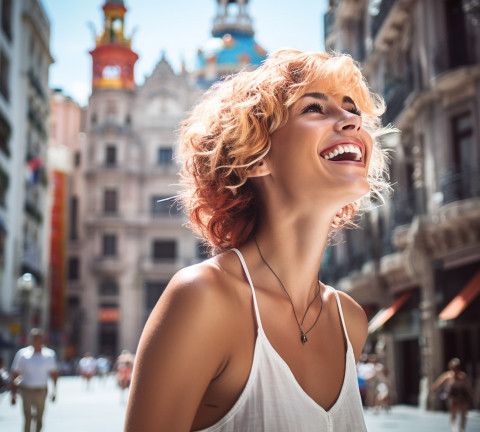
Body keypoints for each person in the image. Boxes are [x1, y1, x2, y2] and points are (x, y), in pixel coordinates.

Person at [125, 48, 390, 431]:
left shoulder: (350, 321)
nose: (350, 118)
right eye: (314, 108)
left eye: (352, 109)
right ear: (255, 157)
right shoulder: (203, 298)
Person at [10, 328, 58, 432]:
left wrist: (54, 390)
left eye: (38, 338)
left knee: (39, 417)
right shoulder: (23, 354)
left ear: (42, 339)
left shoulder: (49, 355)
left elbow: (54, 373)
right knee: (28, 415)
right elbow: (15, 374)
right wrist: (13, 394)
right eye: (34, 338)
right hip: (26, 390)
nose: (36, 341)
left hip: (41, 390)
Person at [431, 357, 474, 432]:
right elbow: (437, 384)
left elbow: (468, 387)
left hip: (463, 398)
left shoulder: (463, 376)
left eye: (457, 368)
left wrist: (471, 395)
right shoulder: (448, 376)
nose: (456, 370)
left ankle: (461, 429)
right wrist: (434, 390)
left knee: (463, 415)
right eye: (454, 368)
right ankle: (455, 429)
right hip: (453, 399)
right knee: (453, 415)